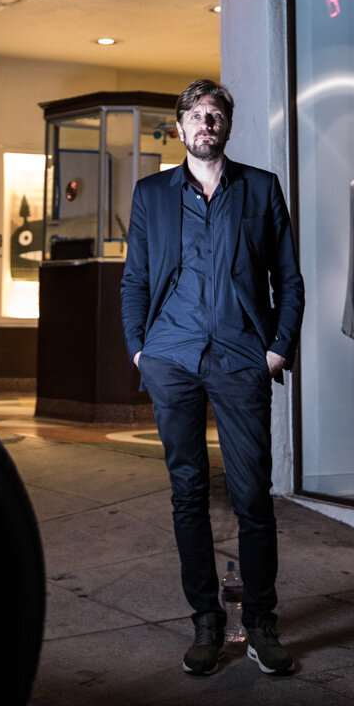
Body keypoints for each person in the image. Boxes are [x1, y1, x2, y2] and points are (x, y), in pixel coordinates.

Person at [121, 79, 305, 676]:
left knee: (253, 496)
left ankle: (259, 623)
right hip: (171, 358)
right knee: (187, 493)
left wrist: (277, 348)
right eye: (196, 115)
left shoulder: (259, 188)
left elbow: (289, 278)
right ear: (179, 127)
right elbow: (136, 281)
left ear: (228, 126)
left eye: (216, 115)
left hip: (239, 357)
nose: (206, 123)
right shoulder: (151, 195)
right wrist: (138, 351)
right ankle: (205, 619)